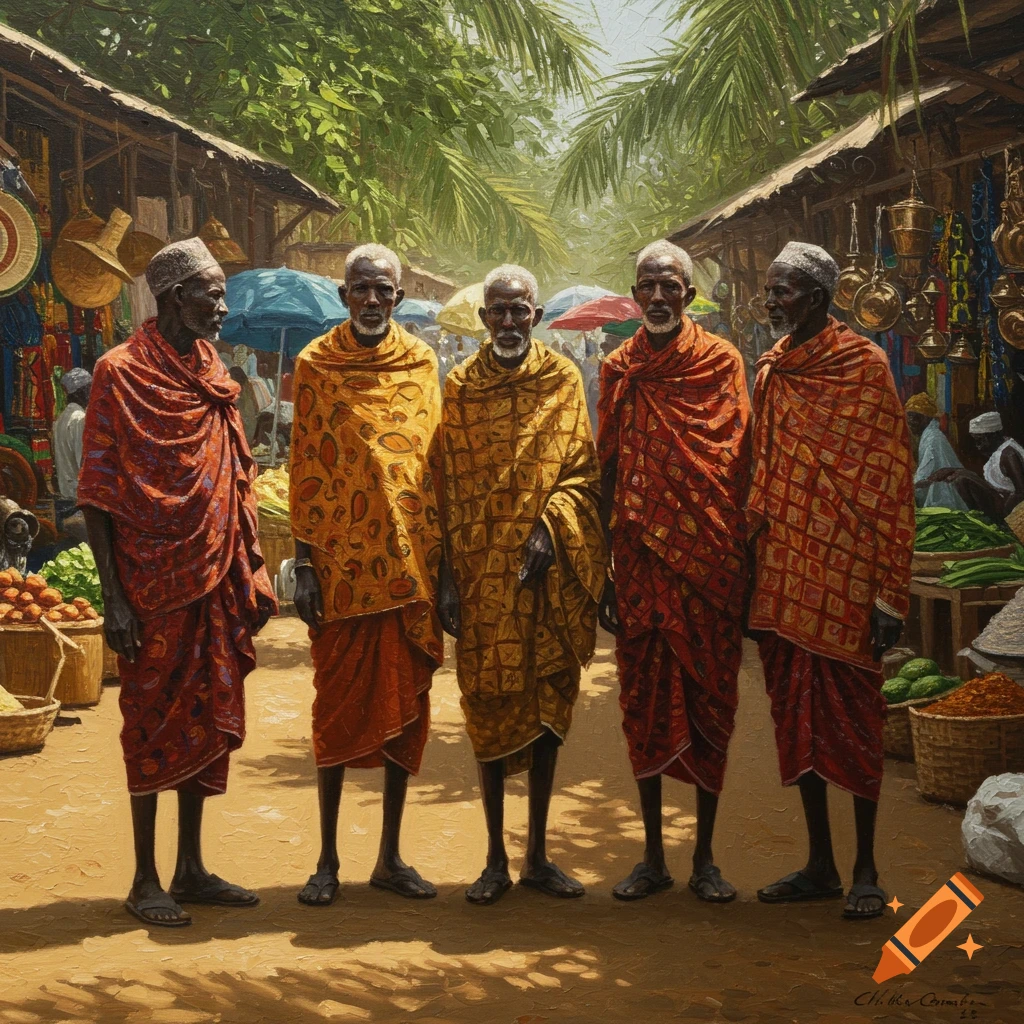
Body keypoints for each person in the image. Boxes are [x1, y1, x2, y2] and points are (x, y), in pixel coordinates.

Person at [78, 238, 278, 928]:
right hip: (149, 584)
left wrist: (247, 561)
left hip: (214, 573)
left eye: (221, 294)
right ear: (172, 298)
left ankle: (190, 868)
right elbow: (98, 493)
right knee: (150, 723)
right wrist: (112, 597)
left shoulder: (212, 370)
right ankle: (143, 878)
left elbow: (234, 470)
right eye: (211, 294)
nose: (221, 307)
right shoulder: (119, 372)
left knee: (201, 715)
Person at [747, 242, 914, 920]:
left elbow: (891, 482)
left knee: (854, 718)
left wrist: (888, 593)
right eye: (770, 288)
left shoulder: (863, 366)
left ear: (815, 295)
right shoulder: (773, 369)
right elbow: (762, 464)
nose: (771, 300)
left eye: (782, 290)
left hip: (849, 572)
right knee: (799, 719)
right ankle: (819, 862)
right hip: (787, 569)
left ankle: (866, 867)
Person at [438, 264, 607, 906]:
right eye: (498, 311)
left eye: (520, 311)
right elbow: (448, 487)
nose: (509, 321)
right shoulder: (459, 387)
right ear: (484, 318)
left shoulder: (562, 380)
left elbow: (582, 474)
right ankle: (492, 858)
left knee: (546, 707)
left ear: (536, 316)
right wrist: (449, 580)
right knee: (485, 708)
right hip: (481, 577)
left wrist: (551, 527)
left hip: (546, 577)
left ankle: (537, 854)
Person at [597, 241, 751, 903]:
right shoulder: (616, 369)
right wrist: (603, 568)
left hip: (709, 564)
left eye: (668, 286)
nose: (656, 298)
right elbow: (605, 468)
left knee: (712, 705)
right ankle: (655, 857)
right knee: (644, 707)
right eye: (646, 287)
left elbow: (741, 462)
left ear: (689, 294)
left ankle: (706, 859)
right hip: (638, 567)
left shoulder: (722, 362)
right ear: (636, 296)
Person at [291, 243, 443, 906]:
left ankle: (389, 857)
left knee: (404, 717)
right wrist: (301, 564)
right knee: (335, 712)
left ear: (398, 298)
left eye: (384, 290)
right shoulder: (315, 366)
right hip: (341, 573)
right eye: (361, 289)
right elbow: (303, 469)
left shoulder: (422, 362)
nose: (373, 300)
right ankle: (326, 859)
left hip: (410, 574)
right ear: (344, 295)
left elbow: (433, 470)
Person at [927, 411, 1024, 519]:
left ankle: (983, 520)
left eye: (980, 441)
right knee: (958, 476)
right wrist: (953, 470)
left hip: (1007, 509)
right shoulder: (1000, 451)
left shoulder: (1009, 454)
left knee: (961, 480)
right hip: (999, 501)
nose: (978, 447)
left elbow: (1021, 491)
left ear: (994, 435)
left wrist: (1006, 515)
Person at [904, 392, 967, 511]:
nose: (911, 422)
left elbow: (924, 476)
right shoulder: (930, 436)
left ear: (925, 418)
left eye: (914, 417)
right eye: (909, 417)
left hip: (944, 502)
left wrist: (907, 488)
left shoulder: (933, 440)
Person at [52, 367, 91, 500]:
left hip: (65, 490)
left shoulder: (60, 419)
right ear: (81, 392)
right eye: (89, 389)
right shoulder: (79, 418)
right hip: (78, 494)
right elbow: (83, 461)